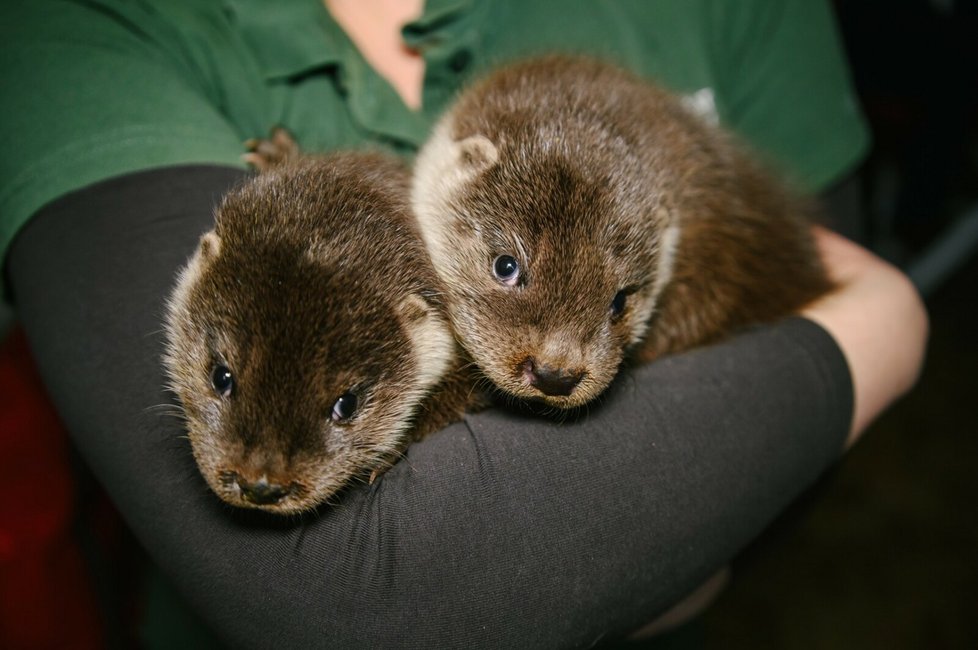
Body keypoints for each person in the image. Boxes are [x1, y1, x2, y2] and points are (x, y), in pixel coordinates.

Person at [0, 0, 927, 647]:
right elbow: (364, 602)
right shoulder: (79, 28)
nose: (561, 359)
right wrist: (883, 325)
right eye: (511, 272)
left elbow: (798, 362)